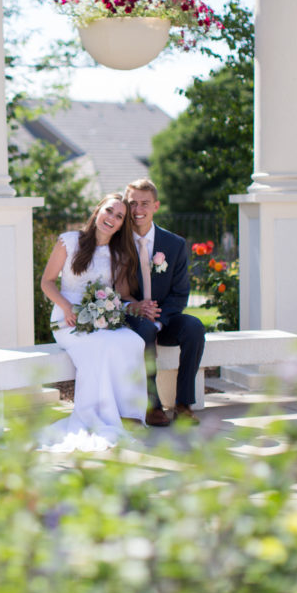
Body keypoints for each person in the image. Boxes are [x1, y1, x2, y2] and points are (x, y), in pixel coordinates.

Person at [38, 193, 148, 452]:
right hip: (67, 318)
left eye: (119, 216)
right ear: (98, 211)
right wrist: (67, 307)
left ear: (122, 225)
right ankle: (98, 415)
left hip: (98, 317)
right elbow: (47, 282)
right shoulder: (70, 241)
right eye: (109, 211)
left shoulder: (118, 254)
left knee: (131, 340)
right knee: (101, 346)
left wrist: (131, 307)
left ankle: (128, 412)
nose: (112, 218)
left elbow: (120, 295)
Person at [123, 179, 206, 426]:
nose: (138, 210)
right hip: (130, 316)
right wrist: (138, 311)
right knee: (145, 328)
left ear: (156, 206)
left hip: (164, 318)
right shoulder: (119, 242)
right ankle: (152, 405)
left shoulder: (174, 244)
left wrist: (159, 320)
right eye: (132, 203)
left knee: (194, 327)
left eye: (144, 203)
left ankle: (183, 404)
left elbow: (180, 293)